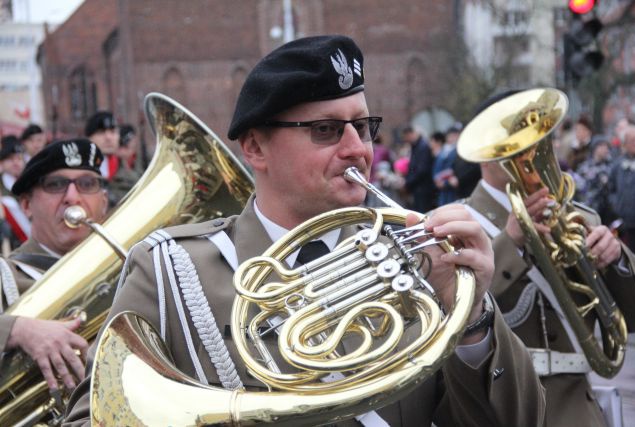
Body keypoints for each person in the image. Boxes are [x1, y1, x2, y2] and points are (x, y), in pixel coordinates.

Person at [64, 35, 544, 426]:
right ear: (255, 148)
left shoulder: (417, 258)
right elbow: (101, 414)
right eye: (326, 131)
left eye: (364, 125)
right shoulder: (172, 269)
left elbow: (518, 420)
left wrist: (474, 318)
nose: (358, 148)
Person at [462, 94, 635, 426]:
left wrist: (616, 259)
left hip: (576, 407)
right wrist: (509, 242)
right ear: (485, 153)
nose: (531, 151)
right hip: (500, 405)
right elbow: (455, 315)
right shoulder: (458, 224)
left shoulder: (580, 216)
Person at [0, 138, 109, 391]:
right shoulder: (7, 275)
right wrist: (18, 329)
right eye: (56, 185)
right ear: (26, 205)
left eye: (87, 184)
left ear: (103, 202)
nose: (73, 197)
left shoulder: (134, 272)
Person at [609, 124, 635, 255]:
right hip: (625, 224)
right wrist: (617, 205)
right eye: (632, 139)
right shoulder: (617, 165)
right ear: (624, 143)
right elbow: (611, 189)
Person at [575, 135, 616, 226]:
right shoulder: (584, 167)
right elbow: (578, 186)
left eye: (606, 146)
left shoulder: (612, 166)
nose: (605, 149)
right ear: (595, 148)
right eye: (601, 146)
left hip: (606, 210)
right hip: (588, 208)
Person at [0, 135, 30, 249]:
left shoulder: (30, 183)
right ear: (2, 162)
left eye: (19, 158)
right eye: (11, 159)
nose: (16, 163)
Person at [402, 124, 436, 213]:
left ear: (411, 134)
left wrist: (408, 182)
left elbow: (422, 170)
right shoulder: (416, 146)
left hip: (423, 188)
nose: (406, 140)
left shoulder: (422, 147)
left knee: (422, 212)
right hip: (418, 187)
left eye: (407, 136)